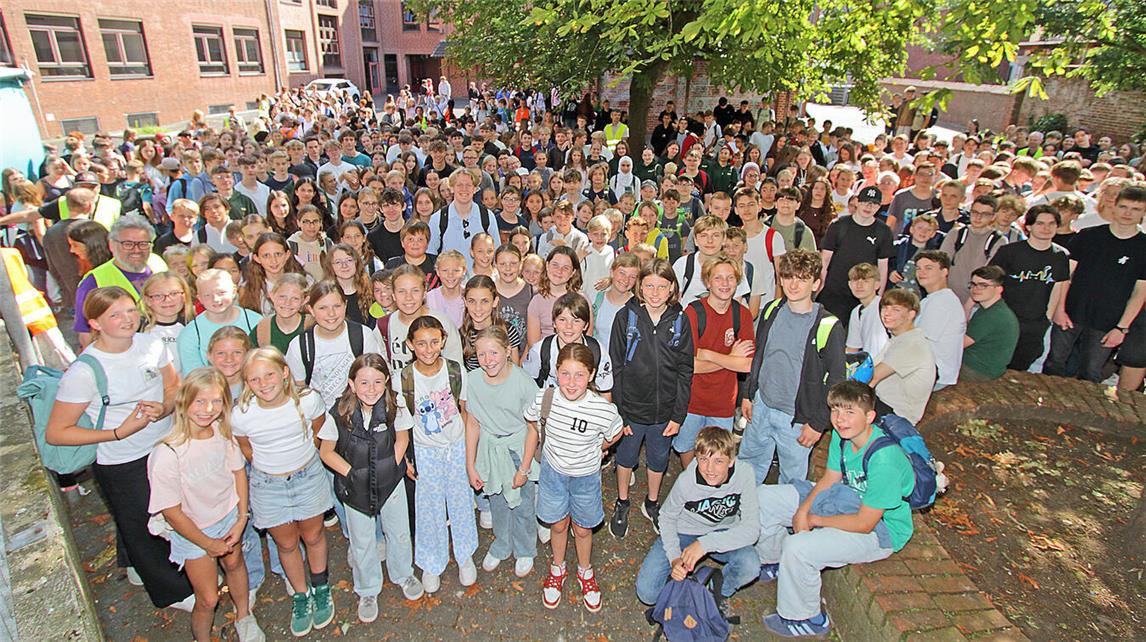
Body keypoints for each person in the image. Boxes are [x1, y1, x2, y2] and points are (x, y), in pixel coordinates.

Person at [47, 287, 194, 611]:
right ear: (95, 323)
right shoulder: (85, 371)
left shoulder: (150, 343)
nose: (127, 320)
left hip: (164, 446)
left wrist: (166, 408)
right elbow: (57, 432)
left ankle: (171, 568)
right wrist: (116, 432)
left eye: (130, 311)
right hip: (122, 459)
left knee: (172, 513)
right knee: (142, 525)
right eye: (115, 314)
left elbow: (173, 386)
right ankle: (172, 592)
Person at [756, 381, 915, 639]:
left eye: (850, 413)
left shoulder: (885, 459)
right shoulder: (843, 437)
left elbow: (865, 523)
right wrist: (802, 511)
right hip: (845, 498)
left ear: (869, 417)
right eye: (836, 411)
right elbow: (830, 478)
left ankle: (807, 617)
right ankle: (773, 560)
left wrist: (815, 520)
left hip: (881, 530)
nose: (840, 420)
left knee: (799, 548)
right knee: (764, 497)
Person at [148, 368, 265, 642]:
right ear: (183, 402)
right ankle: (202, 636)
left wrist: (241, 517)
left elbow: (238, 473)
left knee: (235, 565)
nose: (208, 409)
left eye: (216, 401)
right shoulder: (167, 453)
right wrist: (207, 543)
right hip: (193, 532)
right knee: (208, 598)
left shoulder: (221, 433)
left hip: (227, 518)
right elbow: (173, 513)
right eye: (199, 401)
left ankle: (244, 615)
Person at [232, 348, 334, 637]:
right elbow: (245, 447)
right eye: (254, 380)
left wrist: (305, 455)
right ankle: (301, 595)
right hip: (269, 485)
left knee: (313, 535)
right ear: (247, 383)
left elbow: (319, 429)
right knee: (286, 544)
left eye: (269, 375)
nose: (264, 384)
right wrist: (268, 466)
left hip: (307, 476)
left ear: (284, 372)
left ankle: (321, 585)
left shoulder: (306, 401)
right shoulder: (242, 414)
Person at [318, 355, 423, 623]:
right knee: (362, 539)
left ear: (387, 381)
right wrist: (352, 475)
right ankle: (367, 588)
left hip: (391, 481)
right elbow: (327, 452)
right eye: (364, 382)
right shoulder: (339, 412)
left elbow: (402, 436)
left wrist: (394, 465)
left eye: (378, 382)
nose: (371, 388)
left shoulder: (394, 404)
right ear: (352, 384)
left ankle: (403, 572)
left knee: (398, 531)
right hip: (356, 486)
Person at [527, 343, 623, 612]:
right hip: (553, 474)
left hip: (585, 478)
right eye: (565, 374)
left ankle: (585, 570)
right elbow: (532, 423)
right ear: (556, 372)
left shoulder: (601, 408)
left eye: (579, 375)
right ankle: (558, 567)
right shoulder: (544, 399)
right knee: (558, 525)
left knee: (582, 528)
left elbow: (615, 431)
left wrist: (601, 447)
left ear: (591, 375)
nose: (571, 382)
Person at [740, 249, 845, 484]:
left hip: (797, 418)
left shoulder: (828, 326)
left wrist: (818, 423)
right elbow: (760, 355)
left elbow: (837, 380)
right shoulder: (772, 309)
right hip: (763, 406)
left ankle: (786, 519)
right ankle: (742, 511)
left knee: (792, 478)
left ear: (816, 283)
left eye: (802, 278)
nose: (793, 285)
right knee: (748, 464)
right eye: (788, 277)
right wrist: (749, 394)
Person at [634, 427, 761, 608]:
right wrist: (674, 557)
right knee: (647, 593)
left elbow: (751, 530)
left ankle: (715, 592)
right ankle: (682, 590)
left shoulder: (745, 474)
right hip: (685, 532)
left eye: (718, 461)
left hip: (723, 531)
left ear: (731, 461)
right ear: (696, 457)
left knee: (750, 564)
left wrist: (705, 544)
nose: (710, 469)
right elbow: (667, 517)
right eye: (703, 460)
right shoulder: (687, 482)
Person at [396, 316, 478, 594]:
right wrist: (407, 458)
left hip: (455, 445)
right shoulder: (405, 379)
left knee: (461, 500)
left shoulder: (455, 371)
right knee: (429, 505)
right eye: (421, 344)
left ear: (443, 340)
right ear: (410, 345)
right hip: (425, 449)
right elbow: (403, 424)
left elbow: (464, 411)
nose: (428, 349)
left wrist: (469, 452)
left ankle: (465, 554)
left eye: (434, 342)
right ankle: (432, 561)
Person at [1044, 185, 1146, 382]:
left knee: (1091, 373)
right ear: (1113, 206)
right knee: (1054, 364)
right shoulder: (1088, 236)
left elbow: (1140, 292)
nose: (1128, 213)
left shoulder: (1143, 247)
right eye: (1124, 207)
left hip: (1108, 322)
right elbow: (1066, 275)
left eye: (1136, 209)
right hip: (1071, 313)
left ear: (1143, 212)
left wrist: (1122, 328)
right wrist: (1059, 309)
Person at [464, 326, 541, 578]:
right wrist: (471, 464)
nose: (488, 360)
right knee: (496, 500)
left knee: (522, 503)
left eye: (494, 353)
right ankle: (502, 543)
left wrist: (524, 468)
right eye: (482, 354)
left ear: (508, 351)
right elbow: (473, 423)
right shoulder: (473, 380)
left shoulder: (523, 382)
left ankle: (525, 548)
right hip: (489, 449)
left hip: (517, 449)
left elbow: (532, 429)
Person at [677, 255, 755, 468]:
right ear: (708, 282)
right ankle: (690, 477)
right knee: (686, 446)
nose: (725, 283)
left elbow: (747, 364)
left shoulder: (742, 315)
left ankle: (709, 485)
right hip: (691, 398)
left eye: (730, 278)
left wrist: (709, 354)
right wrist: (731, 359)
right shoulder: (694, 312)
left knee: (718, 450)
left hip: (723, 402)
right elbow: (688, 365)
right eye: (718, 278)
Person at [988, 204, 1070, 371]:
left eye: (1051, 223)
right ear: (1029, 226)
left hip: (1035, 323)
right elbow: (990, 281)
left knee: (1021, 365)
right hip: (1006, 319)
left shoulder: (1061, 256)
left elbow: (1058, 286)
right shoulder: (1009, 251)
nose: (1046, 228)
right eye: (1040, 223)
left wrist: (1048, 317)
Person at [74, 213, 169, 346]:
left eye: (143, 244)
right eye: (128, 244)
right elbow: (85, 333)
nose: (136, 250)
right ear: (112, 245)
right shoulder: (94, 281)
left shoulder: (158, 264)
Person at [817, 186, 894, 324]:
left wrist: (879, 296)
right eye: (865, 202)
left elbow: (883, 266)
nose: (869, 207)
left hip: (864, 296)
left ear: (879, 207)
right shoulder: (839, 225)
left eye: (874, 204)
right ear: (857, 202)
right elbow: (825, 259)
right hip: (835, 292)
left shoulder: (883, 232)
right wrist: (819, 285)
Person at [177, 269, 262, 373]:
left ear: (234, 292)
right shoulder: (190, 334)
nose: (216, 299)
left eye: (221, 292)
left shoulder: (256, 322)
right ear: (199, 298)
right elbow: (194, 377)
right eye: (207, 295)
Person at [869, 289, 935, 422]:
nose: (887, 313)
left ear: (911, 314)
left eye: (896, 309)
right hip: (882, 402)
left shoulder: (911, 344)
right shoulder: (899, 338)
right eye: (884, 308)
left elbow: (873, 377)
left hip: (895, 414)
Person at [937, 195, 1006, 304]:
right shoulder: (956, 234)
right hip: (949, 298)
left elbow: (989, 274)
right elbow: (940, 266)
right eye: (975, 212)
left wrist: (970, 304)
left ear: (993, 217)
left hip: (977, 303)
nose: (978, 217)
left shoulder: (998, 240)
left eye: (985, 214)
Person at [913, 251, 966, 389]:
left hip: (936, 374)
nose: (921, 272)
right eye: (918, 268)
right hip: (926, 369)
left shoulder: (942, 302)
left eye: (928, 268)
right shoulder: (932, 299)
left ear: (944, 272)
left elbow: (920, 342)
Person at [961, 266, 1020, 381]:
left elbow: (957, 344)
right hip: (981, 366)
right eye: (973, 284)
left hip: (977, 370)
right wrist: (968, 305)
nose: (976, 289)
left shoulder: (993, 315)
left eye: (983, 285)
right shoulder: (990, 308)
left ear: (999, 289)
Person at [139, 272, 195, 373]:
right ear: (147, 300)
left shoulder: (192, 326)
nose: (167, 300)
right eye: (158, 295)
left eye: (174, 294)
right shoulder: (139, 328)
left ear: (184, 296)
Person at [845, 263, 889, 364]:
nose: (859, 285)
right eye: (855, 280)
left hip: (887, 368)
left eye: (866, 281)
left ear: (877, 285)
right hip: (869, 369)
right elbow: (852, 348)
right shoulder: (856, 312)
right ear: (850, 285)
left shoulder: (885, 307)